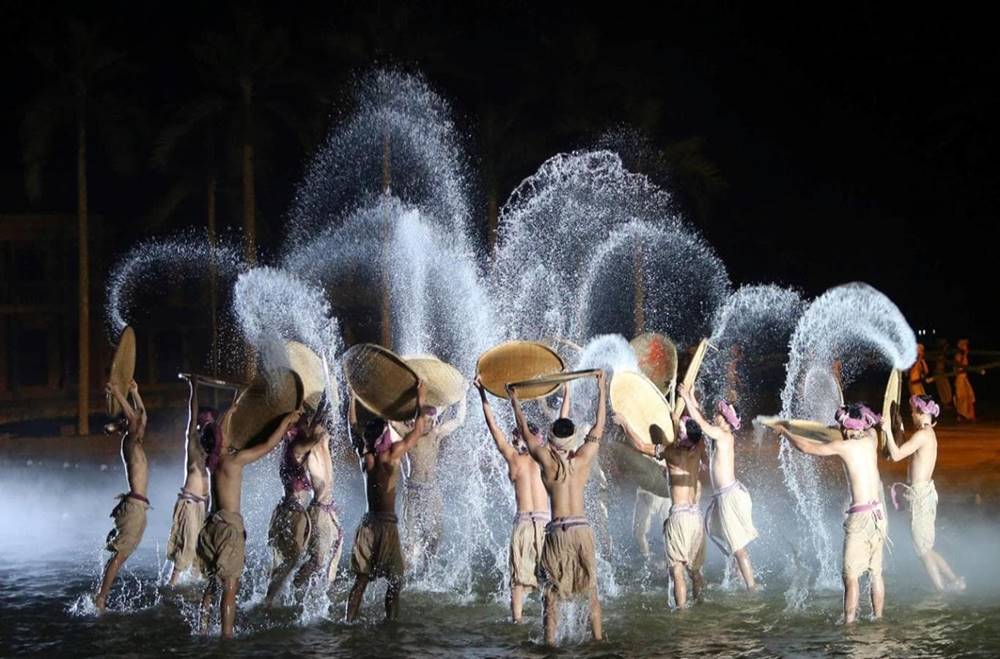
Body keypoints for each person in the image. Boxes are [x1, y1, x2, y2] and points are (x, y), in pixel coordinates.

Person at [508, 371, 606, 646]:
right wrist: (602, 387)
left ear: (551, 438)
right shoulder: (583, 457)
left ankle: (550, 645)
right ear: (574, 437)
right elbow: (599, 426)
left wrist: (514, 400)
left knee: (550, 596)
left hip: (558, 533)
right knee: (590, 592)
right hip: (582, 530)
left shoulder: (547, 462)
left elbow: (526, 435)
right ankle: (597, 642)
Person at [776, 403, 886, 623]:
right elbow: (873, 425)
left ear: (847, 427)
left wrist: (785, 432)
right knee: (876, 573)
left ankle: (849, 622)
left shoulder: (844, 447)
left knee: (851, 577)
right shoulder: (871, 440)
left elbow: (806, 448)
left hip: (861, 518)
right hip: (878, 516)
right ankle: (878, 617)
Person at [198, 405, 302, 638]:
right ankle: (227, 637)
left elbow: (216, 434)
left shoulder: (212, 463)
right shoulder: (234, 460)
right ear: (222, 440)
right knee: (230, 587)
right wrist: (286, 421)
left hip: (211, 527)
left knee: (214, 584)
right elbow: (267, 446)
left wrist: (230, 412)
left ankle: (202, 629)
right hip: (228, 530)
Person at [345, 382, 430, 623]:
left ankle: (348, 621)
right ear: (384, 435)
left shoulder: (366, 456)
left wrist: (352, 399)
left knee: (361, 580)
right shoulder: (390, 457)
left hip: (368, 524)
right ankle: (390, 624)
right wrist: (420, 397)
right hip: (387, 526)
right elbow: (419, 429)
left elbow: (352, 429)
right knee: (395, 581)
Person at [475, 375, 550, 623]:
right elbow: (562, 418)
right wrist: (567, 391)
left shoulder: (513, 458)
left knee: (518, 579)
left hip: (523, 525)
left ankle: (517, 619)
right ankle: (548, 619)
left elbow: (493, 427)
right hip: (542, 524)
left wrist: (482, 394)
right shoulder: (543, 457)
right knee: (547, 577)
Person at [618, 407, 706, 609]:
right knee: (695, 571)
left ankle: (682, 613)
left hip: (679, 517)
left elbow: (640, 445)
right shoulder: (699, 447)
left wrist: (624, 423)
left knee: (677, 570)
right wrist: (677, 421)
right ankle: (701, 605)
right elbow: (692, 432)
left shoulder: (671, 453)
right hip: (696, 518)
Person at [678, 383, 757, 590]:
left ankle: (752, 587)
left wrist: (686, 397)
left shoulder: (723, 435)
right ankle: (740, 578)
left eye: (719, 415)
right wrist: (692, 398)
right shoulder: (719, 435)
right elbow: (703, 420)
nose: (716, 417)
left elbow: (702, 425)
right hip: (725, 496)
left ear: (727, 421)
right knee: (733, 545)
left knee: (738, 548)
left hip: (729, 496)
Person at [882, 395, 965, 592]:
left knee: (922, 550)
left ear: (921, 413)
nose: (911, 414)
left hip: (920, 496)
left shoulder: (922, 435)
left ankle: (941, 590)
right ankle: (954, 581)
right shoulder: (926, 433)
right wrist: (899, 430)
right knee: (924, 548)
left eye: (913, 411)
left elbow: (896, 455)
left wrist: (886, 430)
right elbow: (904, 450)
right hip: (921, 494)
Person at [394, 392, 467, 575]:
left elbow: (459, 419)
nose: (434, 423)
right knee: (410, 542)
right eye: (429, 420)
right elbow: (391, 420)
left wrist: (463, 394)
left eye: (434, 419)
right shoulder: (408, 433)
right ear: (418, 419)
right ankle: (405, 576)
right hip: (413, 491)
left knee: (434, 537)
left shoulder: (436, 434)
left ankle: (426, 574)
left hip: (432, 490)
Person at [95, 379, 149, 612]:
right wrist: (118, 394)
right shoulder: (129, 442)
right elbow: (137, 420)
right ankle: (101, 598)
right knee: (120, 555)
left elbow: (142, 417)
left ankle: (101, 596)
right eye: (128, 421)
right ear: (125, 427)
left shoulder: (134, 441)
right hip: (134, 507)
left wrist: (135, 393)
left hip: (137, 506)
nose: (137, 423)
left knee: (121, 555)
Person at [264, 410, 319, 606]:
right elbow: (315, 439)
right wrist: (322, 424)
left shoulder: (291, 448)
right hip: (292, 513)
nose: (308, 426)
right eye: (305, 423)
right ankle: (269, 599)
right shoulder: (296, 445)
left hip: (287, 510)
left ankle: (272, 597)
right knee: (293, 558)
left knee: (285, 558)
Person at [292, 396, 343, 596]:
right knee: (318, 560)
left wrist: (331, 396)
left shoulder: (324, 442)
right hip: (319, 510)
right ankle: (294, 584)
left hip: (328, 510)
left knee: (333, 555)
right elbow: (315, 427)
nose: (325, 428)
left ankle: (323, 593)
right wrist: (323, 400)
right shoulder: (310, 448)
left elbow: (325, 423)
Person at [167, 376, 212, 586]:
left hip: (202, 504)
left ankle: (192, 588)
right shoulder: (193, 442)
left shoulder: (209, 448)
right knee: (186, 549)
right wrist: (193, 386)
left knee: (199, 552)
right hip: (190, 502)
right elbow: (192, 416)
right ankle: (171, 586)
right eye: (207, 422)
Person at [954, 339, 976, 422]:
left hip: (964, 378)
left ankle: (969, 415)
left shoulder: (963, 355)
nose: (966, 347)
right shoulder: (958, 355)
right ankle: (960, 415)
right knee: (961, 397)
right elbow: (961, 366)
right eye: (965, 345)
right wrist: (965, 354)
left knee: (970, 395)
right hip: (960, 378)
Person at [933, 339, 953, 410]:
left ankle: (945, 403)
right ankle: (945, 404)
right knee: (943, 389)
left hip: (942, 372)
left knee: (946, 389)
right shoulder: (940, 354)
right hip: (939, 373)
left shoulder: (942, 354)